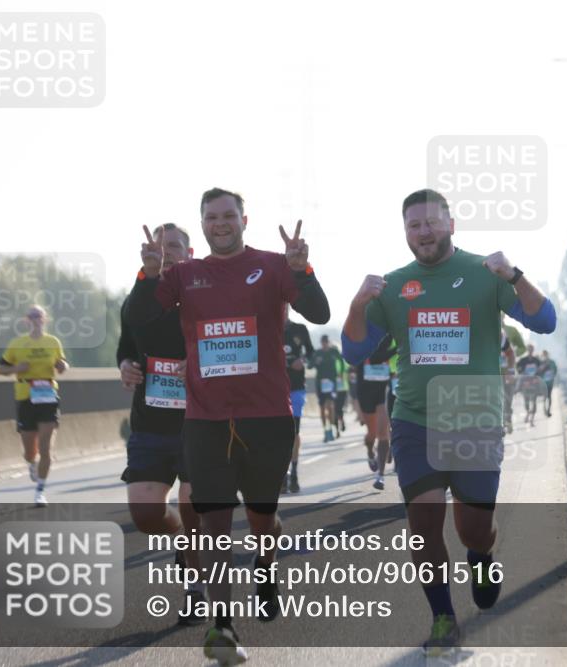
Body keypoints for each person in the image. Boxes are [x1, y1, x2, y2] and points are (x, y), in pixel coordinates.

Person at [342, 189, 556, 655]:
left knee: (472, 530)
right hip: (414, 420)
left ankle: (481, 557)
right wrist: (357, 305)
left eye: (431, 222)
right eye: (414, 225)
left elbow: (546, 321)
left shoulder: (485, 274)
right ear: (405, 232)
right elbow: (354, 351)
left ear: (451, 224)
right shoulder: (394, 286)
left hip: (475, 417)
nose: (423, 232)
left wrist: (515, 276)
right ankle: (443, 617)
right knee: (423, 523)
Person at [126, 187, 330, 664]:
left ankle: (266, 563)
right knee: (213, 523)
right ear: (202, 224)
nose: (220, 223)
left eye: (228, 215)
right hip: (206, 420)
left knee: (262, 518)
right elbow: (141, 321)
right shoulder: (184, 275)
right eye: (211, 217)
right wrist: (148, 275)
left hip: (267, 418)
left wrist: (303, 269)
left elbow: (319, 312)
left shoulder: (272, 266)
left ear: (244, 220)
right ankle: (222, 626)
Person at [116, 222, 205, 624]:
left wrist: (197, 365)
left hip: (200, 421)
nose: (166, 252)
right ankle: (185, 539)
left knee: (193, 502)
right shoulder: (139, 297)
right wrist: (125, 365)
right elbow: (126, 345)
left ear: (190, 252)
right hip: (151, 422)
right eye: (159, 246)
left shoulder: (205, 296)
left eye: (174, 246)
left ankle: (195, 589)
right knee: (146, 514)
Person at [0, 304, 69, 507]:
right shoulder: (17, 343)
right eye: (32, 316)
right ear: (26, 320)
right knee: (30, 451)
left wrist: (62, 366)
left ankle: (40, 491)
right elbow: (1, 368)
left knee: (46, 449)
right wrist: (17, 368)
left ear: (44, 319)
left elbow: (63, 364)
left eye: (39, 315)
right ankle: (32, 463)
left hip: (48, 395)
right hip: (25, 396)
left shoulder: (53, 342)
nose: (36, 319)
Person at [355, 334, 396, 488]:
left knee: (383, 432)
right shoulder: (364, 335)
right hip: (365, 391)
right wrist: (396, 350)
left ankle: (380, 475)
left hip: (382, 390)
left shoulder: (389, 334)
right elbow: (374, 357)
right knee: (371, 434)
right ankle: (370, 452)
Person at [282, 307, 315, 494]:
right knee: (277, 434)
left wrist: (302, 360)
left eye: (285, 306)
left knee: (294, 432)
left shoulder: (300, 329)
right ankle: (282, 475)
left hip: (296, 387)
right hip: (274, 389)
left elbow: (311, 352)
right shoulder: (266, 327)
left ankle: (293, 473)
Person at [312, 335, 342, 443]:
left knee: (330, 406)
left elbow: (342, 361)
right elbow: (310, 365)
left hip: (331, 383)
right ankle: (326, 430)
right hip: (320, 383)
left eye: (326, 342)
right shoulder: (318, 353)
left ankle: (333, 428)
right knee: (322, 408)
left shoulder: (334, 351)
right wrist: (316, 362)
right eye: (323, 342)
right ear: (321, 343)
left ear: (328, 342)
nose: (324, 344)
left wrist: (340, 373)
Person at [515, 344, 542, 427]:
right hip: (525, 383)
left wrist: (538, 375)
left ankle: (532, 420)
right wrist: (521, 371)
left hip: (534, 383)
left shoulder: (537, 360)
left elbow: (541, 370)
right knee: (526, 401)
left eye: (531, 349)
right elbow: (518, 367)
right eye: (529, 349)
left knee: (534, 401)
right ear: (527, 350)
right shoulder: (523, 360)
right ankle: (527, 412)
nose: (530, 351)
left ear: (533, 350)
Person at [498, 329, 516, 434]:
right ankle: (502, 424)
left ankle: (508, 421)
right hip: (493, 376)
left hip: (506, 376)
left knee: (507, 400)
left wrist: (511, 371)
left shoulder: (500, 335)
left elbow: (511, 354)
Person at [538, 350, 558, 417]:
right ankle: (544, 409)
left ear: (548, 355)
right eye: (544, 354)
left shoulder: (552, 362)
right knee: (544, 396)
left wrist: (552, 376)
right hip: (543, 383)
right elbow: (539, 371)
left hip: (550, 382)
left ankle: (548, 410)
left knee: (549, 396)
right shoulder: (541, 362)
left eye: (546, 354)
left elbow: (555, 370)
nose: (545, 356)